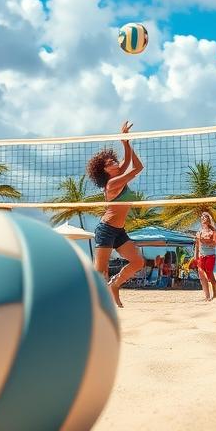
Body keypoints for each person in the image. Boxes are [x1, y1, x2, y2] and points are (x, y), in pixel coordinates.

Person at [88, 121, 146, 308]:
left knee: (138, 262)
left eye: (113, 161)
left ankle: (115, 284)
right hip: (106, 230)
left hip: (119, 230)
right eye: (110, 163)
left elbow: (130, 161)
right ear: (105, 170)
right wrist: (125, 142)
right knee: (100, 272)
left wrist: (125, 141)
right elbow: (138, 168)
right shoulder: (112, 184)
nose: (114, 162)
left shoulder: (119, 176)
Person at [193, 211, 216, 301]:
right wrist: (195, 256)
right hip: (201, 256)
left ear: (209, 219)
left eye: (205, 217)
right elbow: (197, 244)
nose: (203, 218)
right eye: (202, 217)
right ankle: (207, 296)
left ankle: (214, 289)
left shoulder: (213, 231)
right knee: (201, 273)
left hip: (210, 256)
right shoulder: (199, 232)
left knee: (209, 273)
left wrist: (206, 241)